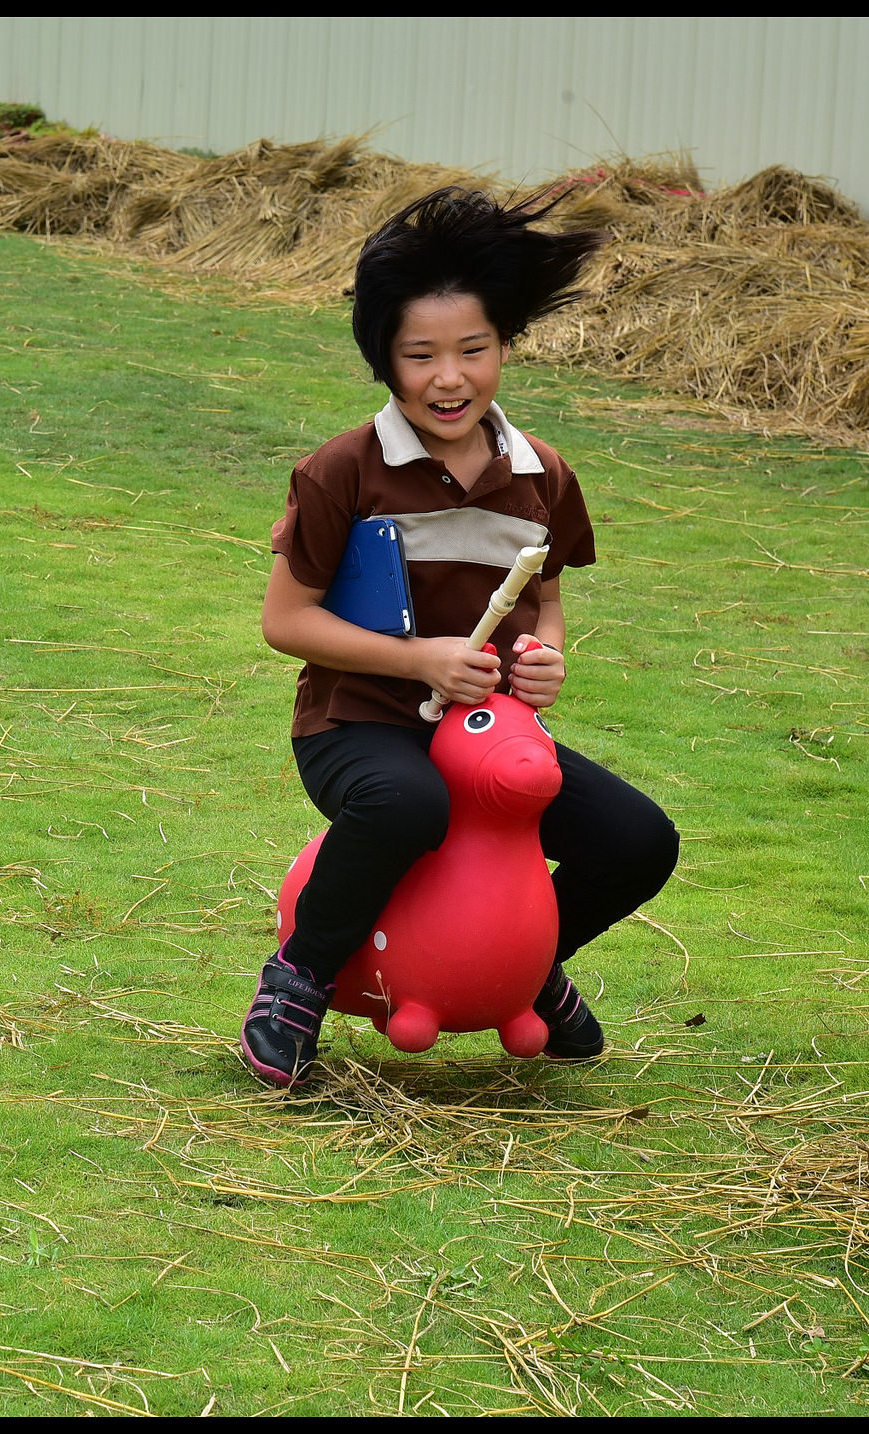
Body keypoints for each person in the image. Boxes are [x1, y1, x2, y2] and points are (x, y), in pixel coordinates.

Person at [242, 187, 679, 1089]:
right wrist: (420, 660)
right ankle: (299, 978)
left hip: (487, 736)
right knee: (408, 805)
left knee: (639, 841)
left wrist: (546, 657)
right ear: (385, 363)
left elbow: (545, 596)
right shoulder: (342, 470)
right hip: (357, 726)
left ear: (505, 346)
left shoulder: (542, 473)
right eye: (422, 355)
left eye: (473, 350)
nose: (451, 377)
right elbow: (287, 622)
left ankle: (524, 964)